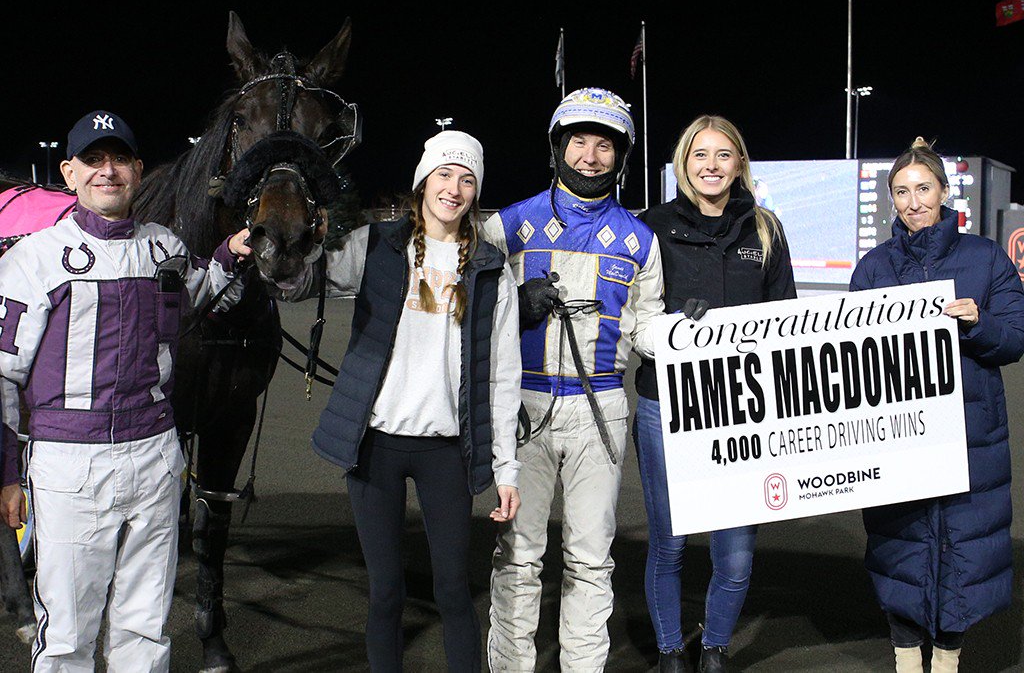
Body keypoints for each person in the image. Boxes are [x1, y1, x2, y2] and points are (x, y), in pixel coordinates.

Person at [0, 110, 251, 671]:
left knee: (146, 629)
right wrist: (7, 475)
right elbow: (3, 378)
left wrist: (228, 256)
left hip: (156, 458)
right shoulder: (32, 260)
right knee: (67, 634)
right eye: (93, 160)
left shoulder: (165, 248)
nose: (107, 171)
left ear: (138, 171)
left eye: (119, 160)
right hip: (69, 465)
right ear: (69, 172)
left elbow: (197, 301)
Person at [284, 130, 520, 672]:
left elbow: (503, 378)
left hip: (446, 450)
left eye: (467, 179)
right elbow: (302, 275)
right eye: (444, 174)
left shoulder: (490, 269)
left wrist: (505, 470)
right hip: (376, 448)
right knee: (386, 592)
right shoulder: (373, 245)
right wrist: (296, 228)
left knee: (454, 590)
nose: (454, 189)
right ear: (422, 181)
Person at [484, 87, 665, 671]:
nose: (590, 156)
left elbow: (648, 327)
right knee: (518, 557)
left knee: (591, 560)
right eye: (579, 142)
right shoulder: (508, 227)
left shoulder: (640, 239)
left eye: (604, 145)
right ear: (559, 148)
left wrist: (695, 336)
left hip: (601, 413)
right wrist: (512, 299)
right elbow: (465, 311)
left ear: (621, 155)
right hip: (523, 409)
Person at [849, 138, 1024, 673]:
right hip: (898, 436)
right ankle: (906, 654)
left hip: (972, 434)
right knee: (902, 543)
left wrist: (978, 324)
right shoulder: (874, 268)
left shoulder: (986, 257)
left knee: (964, 545)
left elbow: (1015, 338)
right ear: (891, 201)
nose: (913, 201)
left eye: (923, 188)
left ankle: (948, 655)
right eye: (901, 191)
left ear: (944, 193)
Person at [632, 114, 796, 673]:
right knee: (670, 544)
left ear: (740, 165)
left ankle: (714, 649)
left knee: (735, 552)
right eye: (700, 155)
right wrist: (673, 330)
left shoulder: (766, 229)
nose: (711, 165)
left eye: (723, 155)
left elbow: (789, 321)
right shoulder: (650, 227)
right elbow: (633, 317)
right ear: (683, 164)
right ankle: (672, 652)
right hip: (666, 405)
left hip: (746, 411)